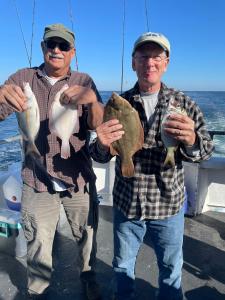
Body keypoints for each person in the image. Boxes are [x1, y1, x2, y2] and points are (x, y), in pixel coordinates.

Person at [90, 32, 214, 300]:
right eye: (143, 56)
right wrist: (101, 144)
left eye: (157, 56)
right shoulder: (117, 105)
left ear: (166, 62)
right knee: (122, 266)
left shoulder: (185, 104)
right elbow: (98, 156)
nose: (150, 62)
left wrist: (192, 140)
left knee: (171, 269)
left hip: (168, 206)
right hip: (127, 204)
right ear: (133, 63)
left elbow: (205, 152)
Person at [0, 23, 103, 300]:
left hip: (78, 177)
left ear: (73, 53)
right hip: (36, 178)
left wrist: (92, 101)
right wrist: (0, 94)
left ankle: (89, 276)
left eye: (63, 46)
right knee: (38, 243)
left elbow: (98, 125)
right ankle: (38, 289)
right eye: (51, 45)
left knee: (87, 237)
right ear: (43, 48)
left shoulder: (84, 81)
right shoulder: (23, 78)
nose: (56, 50)